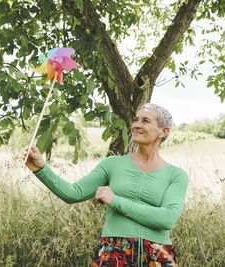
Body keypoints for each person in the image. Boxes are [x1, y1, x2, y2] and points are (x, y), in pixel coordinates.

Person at [22, 103, 188, 267]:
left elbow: (167, 218)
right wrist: (41, 168)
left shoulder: (176, 175)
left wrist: (115, 200)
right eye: (136, 120)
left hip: (157, 255)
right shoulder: (112, 164)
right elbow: (73, 193)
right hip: (114, 252)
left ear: (163, 131)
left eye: (145, 121)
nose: (136, 125)